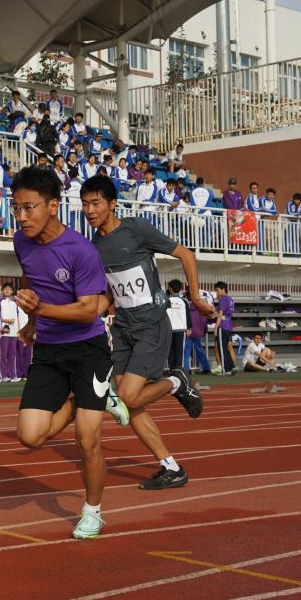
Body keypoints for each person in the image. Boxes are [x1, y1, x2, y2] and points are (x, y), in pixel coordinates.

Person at [9, 166, 127, 539]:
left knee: (86, 440)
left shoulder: (81, 250)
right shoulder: (20, 241)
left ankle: (92, 512)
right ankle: (86, 399)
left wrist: (40, 310)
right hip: (48, 349)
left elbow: (89, 310)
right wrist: (32, 321)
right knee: (30, 436)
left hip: (88, 350)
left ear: (53, 206)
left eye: (29, 208)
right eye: (16, 208)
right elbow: (30, 275)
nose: (21, 216)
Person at [81, 175, 215, 492]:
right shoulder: (94, 247)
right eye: (85, 204)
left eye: (96, 203)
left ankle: (177, 381)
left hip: (151, 324)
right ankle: (171, 467)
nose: (89, 210)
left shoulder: (136, 230)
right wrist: (81, 315)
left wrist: (196, 297)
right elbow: (110, 293)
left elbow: (186, 254)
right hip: (124, 329)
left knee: (127, 397)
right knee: (128, 402)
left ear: (113, 204)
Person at [184, 292, 212, 374]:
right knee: (200, 349)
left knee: (186, 351)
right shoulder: (200, 306)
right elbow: (204, 319)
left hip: (188, 330)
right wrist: (204, 329)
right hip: (198, 331)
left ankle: (186, 369)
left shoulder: (185, 305)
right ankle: (206, 368)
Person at [0, 282, 21, 382]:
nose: (7, 290)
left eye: (9, 289)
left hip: (14, 333)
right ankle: (3, 375)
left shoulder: (14, 303)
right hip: (4, 333)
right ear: (2, 291)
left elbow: (17, 317)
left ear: (12, 291)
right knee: (3, 355)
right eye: (5, 289)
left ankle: (13, 375)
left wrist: (18, 331)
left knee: (12, 355)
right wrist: (6, 321)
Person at [214, 280, 237, 374]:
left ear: (223, 289)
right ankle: (231, 366)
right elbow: (229, 314)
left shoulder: (223, 299)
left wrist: (216, 327)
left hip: (223, 326)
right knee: (225, 348)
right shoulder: (231, 299)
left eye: (217, 290)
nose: (216, 292)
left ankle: (226, 369)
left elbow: (220, 313)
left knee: (221, 349)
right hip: (229, 326)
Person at [165, 280, 188, 371]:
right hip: (181, 329)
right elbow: (188, 315)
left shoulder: (166, 301)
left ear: (170, 289)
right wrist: (189, 327)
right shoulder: (184, 301)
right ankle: (179, 370)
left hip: (169, 329)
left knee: (170, 350)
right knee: (179, 351)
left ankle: (171, 369)